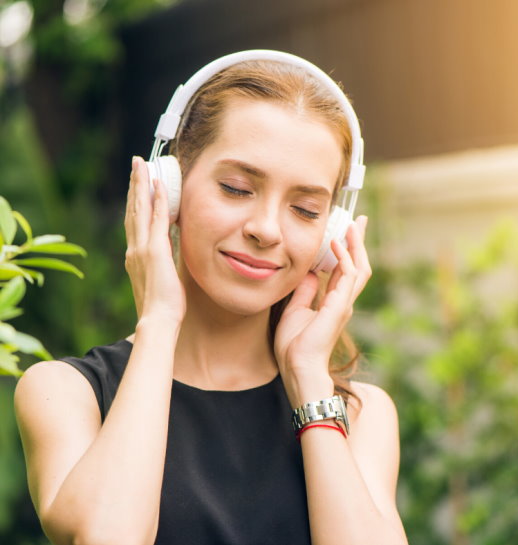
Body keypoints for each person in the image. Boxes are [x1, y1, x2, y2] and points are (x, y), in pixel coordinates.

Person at [14, 50, 408, 545]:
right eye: (237, 188)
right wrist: (158, 322)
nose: (266, 229)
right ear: (168, 188)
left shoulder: (359, 414)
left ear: (333, 234)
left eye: (306, 210)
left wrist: (309, 381)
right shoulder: (66, 393)